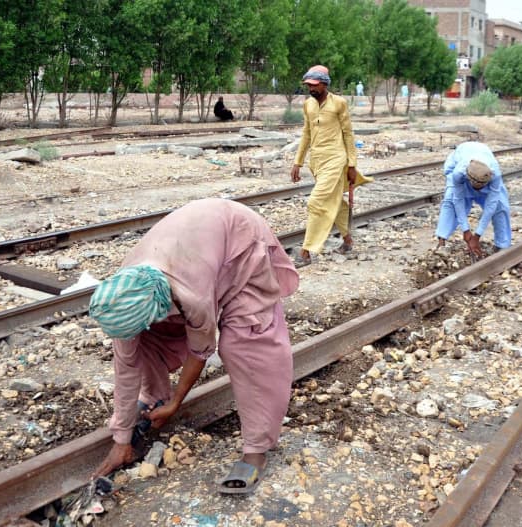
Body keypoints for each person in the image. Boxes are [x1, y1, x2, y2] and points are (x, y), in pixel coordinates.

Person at [88, 198, 298, 494]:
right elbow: (125, 364)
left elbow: (201, 351)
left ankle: (257, 449)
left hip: (240, 240)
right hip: (199, 241)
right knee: (143, 339)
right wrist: (121, 438)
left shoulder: (192, 297)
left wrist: (177, 401)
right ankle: (154, 398)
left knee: (243, 343)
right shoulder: (124, 293)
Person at [290, 65, 371, 267]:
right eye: (308, 85)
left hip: (336, 159)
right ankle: (348, 241)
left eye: (314, 85)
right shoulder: (308, 105)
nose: (311, 88)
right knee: (336, 202)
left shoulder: (339, 103)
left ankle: (307, 251)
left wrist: (352, 164)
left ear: (325, 84)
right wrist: (298, 162)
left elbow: (348, 134)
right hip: (317, 162)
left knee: (315, 202)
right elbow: (306, 134)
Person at [435, 142, 511, 258]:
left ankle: (502, 245)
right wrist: (466, 230)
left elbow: (492, 205)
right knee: (450, 201)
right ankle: (441, 241)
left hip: (482, 157)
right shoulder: (459, 173)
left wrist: (477, 235)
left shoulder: (494, 173)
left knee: (500, 205)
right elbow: (458, 200)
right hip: (460, 164)